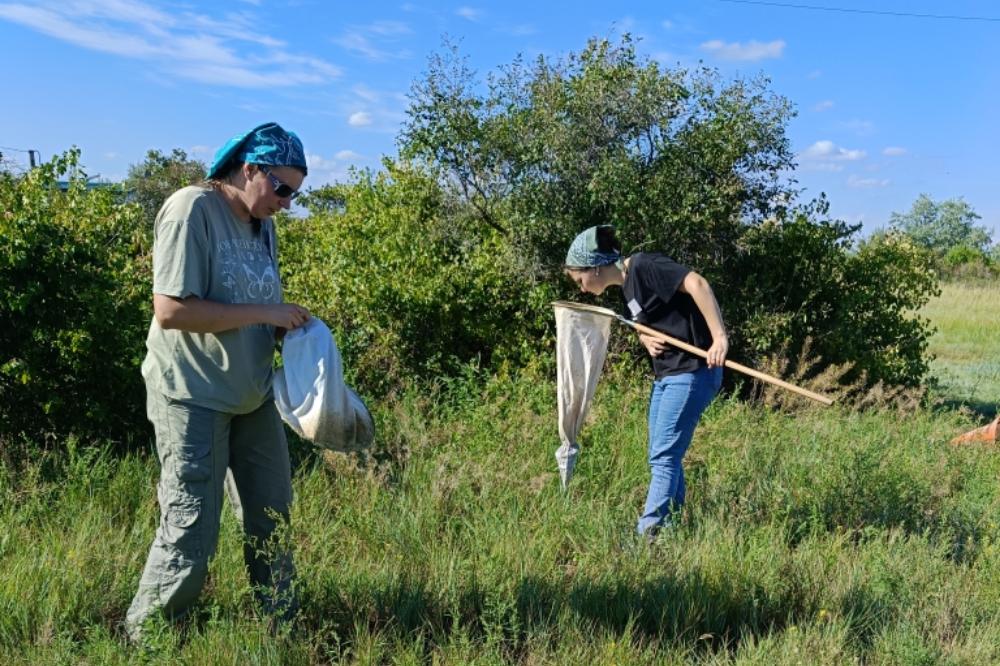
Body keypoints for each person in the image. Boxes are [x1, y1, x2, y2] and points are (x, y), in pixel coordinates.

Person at [126, 122, 312, 639]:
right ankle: (151, 638)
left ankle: (281, 627)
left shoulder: (262, 223)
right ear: (250, 168)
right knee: (191, 527)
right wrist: (267, 312)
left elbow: (251, 307)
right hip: (193, 393)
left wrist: (289, 333)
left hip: (252, 396)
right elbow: (170, 310)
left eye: (294, 193)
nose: (287, 203)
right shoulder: (192, 209)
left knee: (271, 514)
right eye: (281, 189)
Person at [564, 225, 728, 539]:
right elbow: (652, 318)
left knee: (663, 456)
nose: (582, 289)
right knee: (662, 452)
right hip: (668, 375)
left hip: (694, 371)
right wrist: (643, 336)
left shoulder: (644, 266)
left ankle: (649, 536)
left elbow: (697, 283)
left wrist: (719, 337)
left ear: (595, 268)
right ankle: (671, 528)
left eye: (580, 280)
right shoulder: (626, 290)